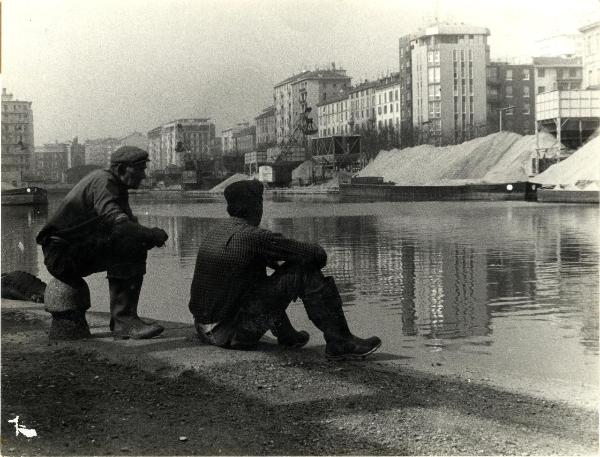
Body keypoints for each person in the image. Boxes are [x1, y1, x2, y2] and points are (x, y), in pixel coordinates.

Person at [188, 179, 381, 360]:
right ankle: (341, 342)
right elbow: (316, 254)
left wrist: (268, 261)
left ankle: (288, 336)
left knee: (262, 282)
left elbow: (252, 284)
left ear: (231, 208)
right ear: (257, 206)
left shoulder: (217, 232)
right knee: (303, 270)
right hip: (228, 334)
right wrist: (288, 264)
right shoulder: (253, 237)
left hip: (204, 328)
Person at [36, 146, 168, 340]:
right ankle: (125, 321)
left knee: (134, 239)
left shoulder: (112, 183)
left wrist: (147, 235)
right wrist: (151, 234)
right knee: (131, 244)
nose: (143, 175)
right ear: (122, 169)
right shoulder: (105, 182)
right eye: (139, 169)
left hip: (66, 250)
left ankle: (124, 320)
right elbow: (122, 227)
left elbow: (126, 224)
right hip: (61, 256)